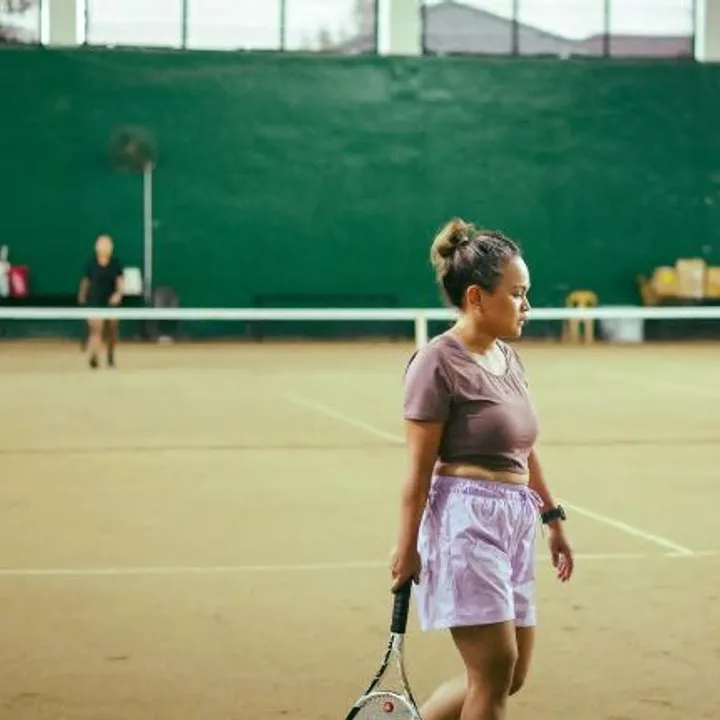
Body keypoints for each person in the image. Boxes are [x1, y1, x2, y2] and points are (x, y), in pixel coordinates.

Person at [390, 218, 574, 720]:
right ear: (476, 297)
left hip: (515, 520)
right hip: (464, 523)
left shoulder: (508, 359)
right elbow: (418, 472)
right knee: (493, 672)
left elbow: (523, 449)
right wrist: (406, 547)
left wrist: (552, 518)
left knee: (509, 676)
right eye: (517, 294)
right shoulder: (435, 363)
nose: (527, 306)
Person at [77, 234, 124, 369]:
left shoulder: (116, 263)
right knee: (96, 330)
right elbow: (85, 283)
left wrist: (118, 294)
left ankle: (110, 356)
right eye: (101, 245)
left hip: (111, 303)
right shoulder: (91, 264)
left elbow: (120, 282)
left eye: (107, 245)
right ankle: (94, 356)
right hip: (95, 301)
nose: (104, 247)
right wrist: (82, 297)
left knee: (112, 331)